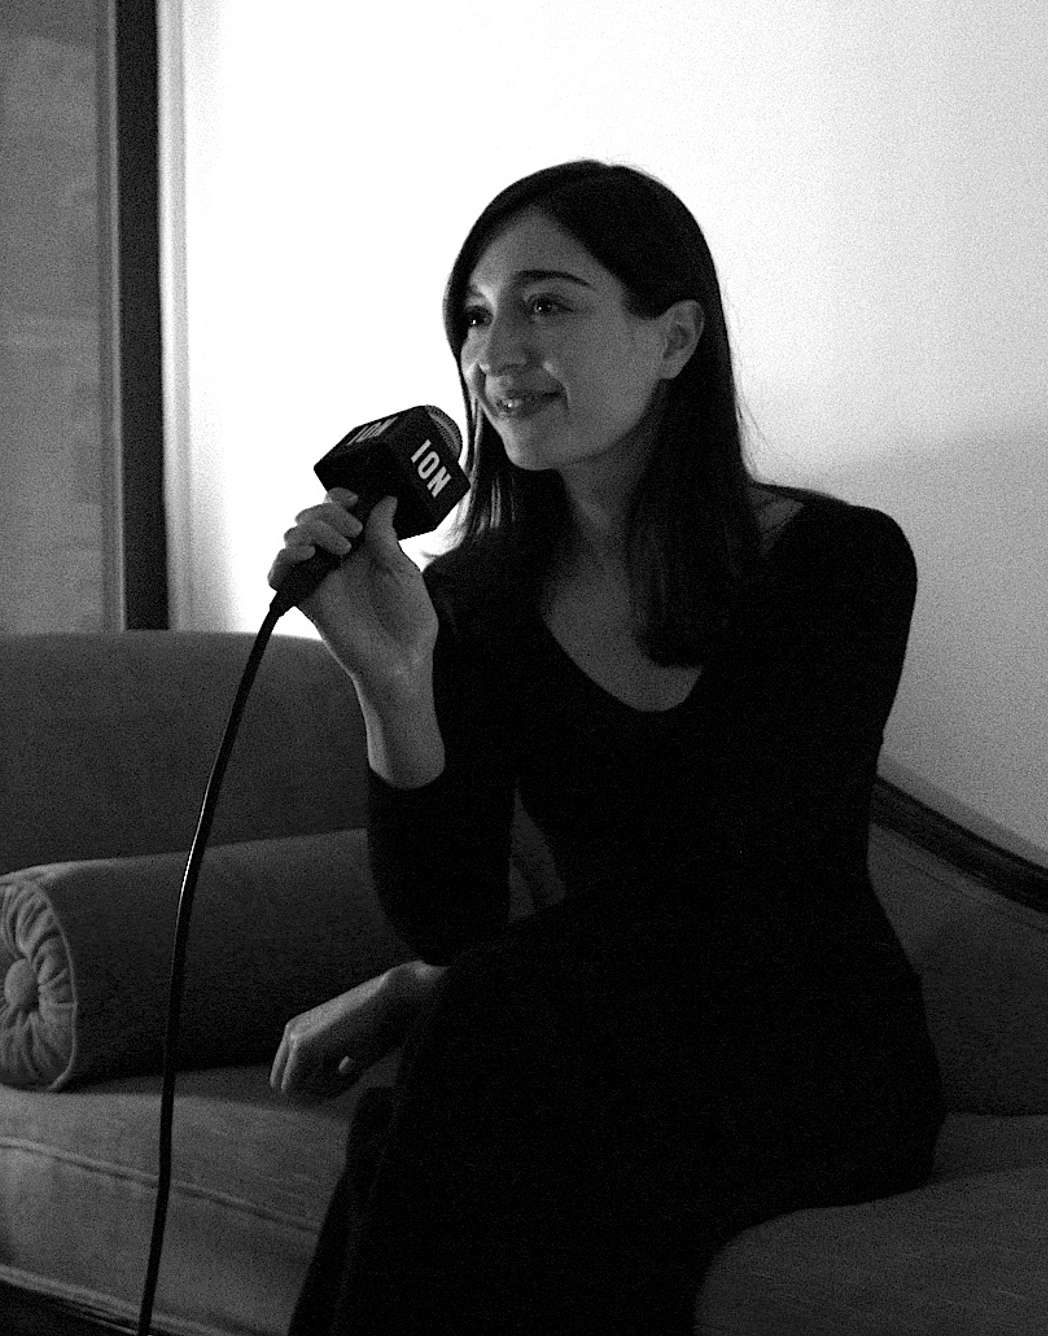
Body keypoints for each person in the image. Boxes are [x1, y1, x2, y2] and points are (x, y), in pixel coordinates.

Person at [266, 160, 943, 1335]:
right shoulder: (473, 601)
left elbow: (739, 878)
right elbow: (449, 912)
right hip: (589, 1041)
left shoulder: (836, 565)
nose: (494, 351)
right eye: (474, 315)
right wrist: (394, 684)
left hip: (810, 1048)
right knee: (456, 1133)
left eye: (545, 303)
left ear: (674, 337)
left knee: (471, 1115)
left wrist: (440, 990)